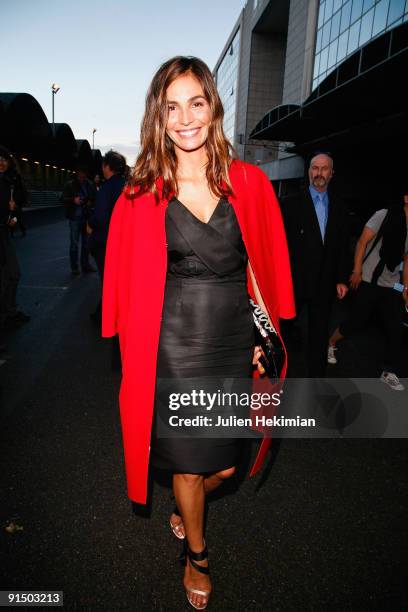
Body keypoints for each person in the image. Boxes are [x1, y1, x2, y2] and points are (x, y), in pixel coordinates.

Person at [102, 56, 295, 610]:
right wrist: (124, 334)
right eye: (172, 107)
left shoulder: (250, 184)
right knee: (189, 461)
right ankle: (198, 556)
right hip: (173, 344)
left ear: (213, 108)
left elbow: (268, 265)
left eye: (196, 102)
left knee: (227, 464)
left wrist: (268, 338)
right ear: (158, 118)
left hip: (233, 336)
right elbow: (122, 269)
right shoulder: (141, 193)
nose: (185, 118)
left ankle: (186, 508)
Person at [329, 186, 408, 390]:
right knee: (356, 323)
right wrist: (356, 270)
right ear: (405, 198)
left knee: (395, 328)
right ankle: (331, 343)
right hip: (369, 280)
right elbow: (362, 242)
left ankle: (388, 371)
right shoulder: (384, 215)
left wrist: (406, 287)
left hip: (392, 284)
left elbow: (407, 260)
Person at [280, 153, 349, 377]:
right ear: (309, 171)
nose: (319, 173)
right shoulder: (290, 204)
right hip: (294, 281)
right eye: (315, 168)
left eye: (324, 169)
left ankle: (315, 381)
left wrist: (341, 278)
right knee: (285, 330)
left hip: (325, 282)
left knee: (319, 334)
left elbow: (341, 245)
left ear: (332, 174)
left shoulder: (339, 206)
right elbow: (279, 243)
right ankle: (277, 374)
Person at [87, 150, 126, 323]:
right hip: (122, 241)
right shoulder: (126, 185)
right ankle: (104, 313)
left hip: (104, 241)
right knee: (117, 279)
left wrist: (90, 223)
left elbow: (101, 218)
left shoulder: (106, 188)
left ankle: (106, 315)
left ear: (108, 167)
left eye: (103, 165)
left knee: (108, 281)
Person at [0, 146, 30, 330]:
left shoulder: (9, 181)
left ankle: (9, 311)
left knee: (13, 275)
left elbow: (22, 199)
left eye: (4, 159)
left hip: (3, 233)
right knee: (6, 277)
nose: (1, 163)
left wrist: (14, 212)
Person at [61, 169, 96, 275]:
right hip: (74, 218)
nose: (82, 176)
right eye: (80, 174)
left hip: (86, 217)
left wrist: (90, 202)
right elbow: (62, 198)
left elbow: (94, 198)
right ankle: (74, 267)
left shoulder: (90, 184)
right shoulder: (70, 184)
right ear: (77, 173)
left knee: (86, 244)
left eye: (83, 174)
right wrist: (73, 200)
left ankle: (85, 265)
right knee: (74, 244)